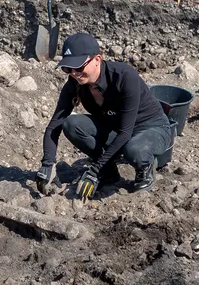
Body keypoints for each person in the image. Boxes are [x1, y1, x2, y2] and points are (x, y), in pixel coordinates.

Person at [35, 32, 173, 200]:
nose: (73, 73)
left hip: (151, 128)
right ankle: (109, 173)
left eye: (78, 67)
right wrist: (47, 165)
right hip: (116, 128)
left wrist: (94, 170)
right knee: (71, 125)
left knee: (135, 150)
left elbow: (125, 132)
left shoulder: (124, 76)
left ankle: (145, 167)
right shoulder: (75, 84)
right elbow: (54, 125)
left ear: (97, 59)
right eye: (67, 68)